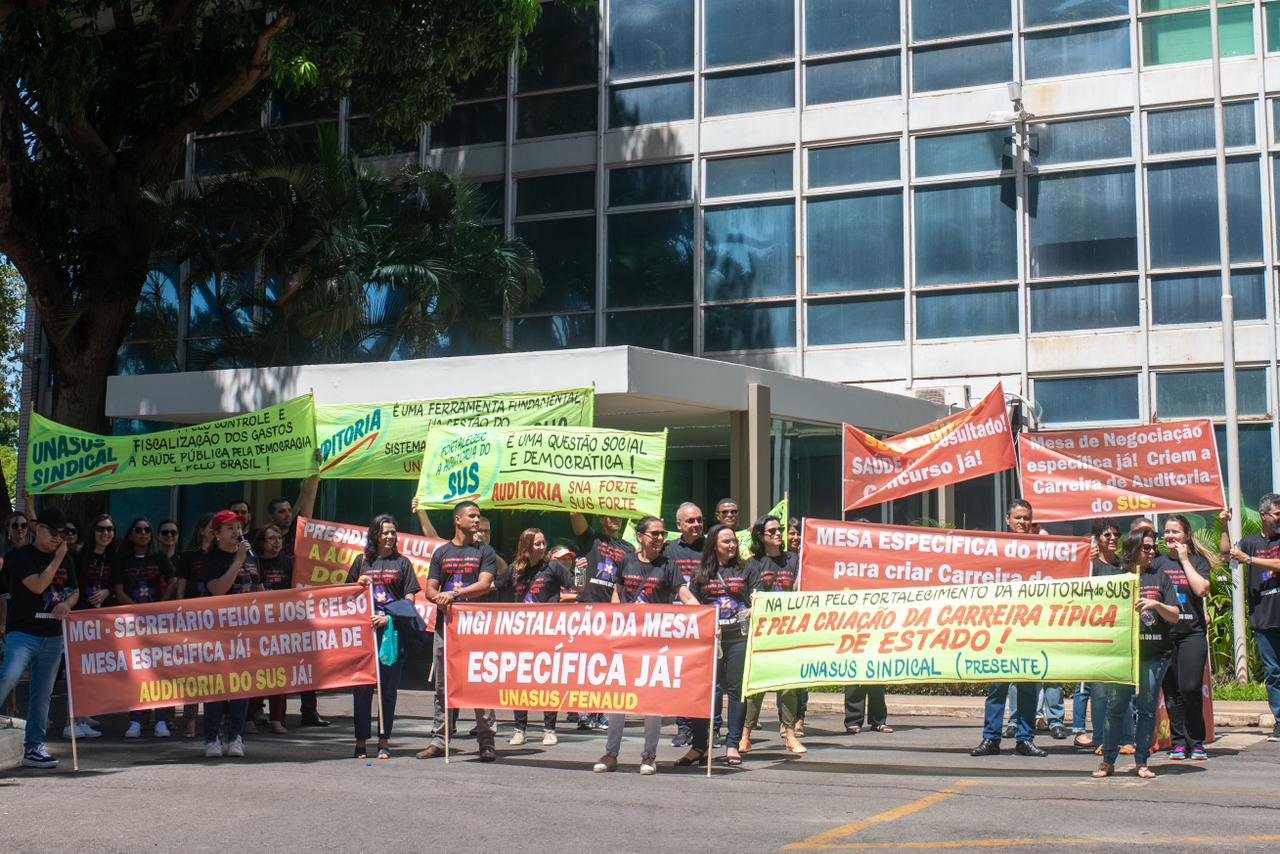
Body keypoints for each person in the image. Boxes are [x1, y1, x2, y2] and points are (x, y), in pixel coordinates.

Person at [593, 515, 697, 775]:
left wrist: (704, 615)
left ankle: (649, 755)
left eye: (662, 534)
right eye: (654, 534)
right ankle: (610, 754)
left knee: (652, 702)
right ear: (640, 536)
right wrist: (613, 618)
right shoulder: (626, 561)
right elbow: (618, 591)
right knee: (618, 699)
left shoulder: (668, 565)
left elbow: (683, 594)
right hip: (626, 641)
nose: (660, 538)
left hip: (655, 644)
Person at [1092, 529, 1180, 779]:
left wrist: (1156, 605)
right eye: (1147, 548)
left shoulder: (1161, 577)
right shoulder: (1118, 577)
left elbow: (1174, 614)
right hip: (1123, 654)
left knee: (1147, 709)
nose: (1153, 552)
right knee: (1116, 706)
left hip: (1155, 653)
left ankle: (1142, 760)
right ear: (1132, 549)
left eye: (1154, 548)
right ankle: (1108, 760)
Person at [418, 501, 498, 761]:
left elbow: (485, 584)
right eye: (472, 516)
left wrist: (453, 594)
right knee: (442, 686)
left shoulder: (485, 552)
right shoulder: (442, 553)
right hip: (447, 628)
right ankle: (440, 740)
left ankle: (486, 742)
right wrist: (438, 597)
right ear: (458, 520)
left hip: (477, 629)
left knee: (480, 683)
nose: (477, 521)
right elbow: (430, 590)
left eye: (478, 516)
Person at [0, 506, 78, 768]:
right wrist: (57, 559)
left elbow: (75, 591)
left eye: (63, 533)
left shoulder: (66, 559)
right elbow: (38, 585)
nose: (59, 538)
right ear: (39, 530)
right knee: (8, 677)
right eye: (54, 532)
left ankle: (34, 747)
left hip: (52, 636)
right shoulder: (21, 556)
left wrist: (67, 603)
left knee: (42, 693)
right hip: (23, 633)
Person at [679, 524, 759, 768]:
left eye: (734, 541)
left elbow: (758, 598)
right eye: (726, 542)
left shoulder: (748, 568)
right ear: (714, 544)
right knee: (707, 692)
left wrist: (750, 611)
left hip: (739, 638)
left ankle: (732, 744)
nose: (732, 545)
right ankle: (700, 746)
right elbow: (693, 605)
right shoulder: (701, 573)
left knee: (736, 691)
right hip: (710, 639)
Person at [973, 499, 1047, 758]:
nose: (1022, 522)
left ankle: (1025, 739)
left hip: (1030, 626)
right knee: (998, 686)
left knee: (1028, 685)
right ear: (1007, 520)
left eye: (1027, 518)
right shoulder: (995, 548)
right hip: (1001, 628)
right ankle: (990, 738)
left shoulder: (1041, 548)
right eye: (1018, 518)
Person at [348, 514, 420, 760]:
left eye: (393, 532)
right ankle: (360, 741)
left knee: (388, 690)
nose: (390, 537)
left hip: (392, 633)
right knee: (362, 689)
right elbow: (347, 597)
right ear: (375, 535)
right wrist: (357, 583)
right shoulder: (361, 562)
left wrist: (389, 618)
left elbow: (410, 599)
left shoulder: (403, 563)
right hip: (365, 636)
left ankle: (384, 740)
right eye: (385, 532)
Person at [199, 509, 263, 758]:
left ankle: (236, 736)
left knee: (240, 685)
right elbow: (216, 589)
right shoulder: (212, 559)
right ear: (216, 534)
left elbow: (259, 588)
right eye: (230, 528)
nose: (237, 532)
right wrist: (237, 561)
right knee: (216, 685)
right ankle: (212, 737)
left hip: (245, 631)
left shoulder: (251, 556)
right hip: (217, 633)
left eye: (238, 527)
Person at [741, 514, 805, 754]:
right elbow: (746, 595)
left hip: (788, 632)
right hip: (761, 633)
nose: (779, 534)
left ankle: (790, 735)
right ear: (761, 536)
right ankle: (745, 735)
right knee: (756, 687)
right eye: (773, 531)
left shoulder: (793, 559)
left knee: (788, 686)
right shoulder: (753, 563)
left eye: (780, 530)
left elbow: (800, 587)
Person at [112, 516, 177, 738]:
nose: (143, 533)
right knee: (136, 671)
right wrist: (138, 609)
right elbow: (119, 590)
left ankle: (161, 720)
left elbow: (174, 581)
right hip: (132, 621)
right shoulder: (123, 561)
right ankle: (136, 720)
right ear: (131, 534)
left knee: (160, 670)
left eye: (147, 530)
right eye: (138, 529)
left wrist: (160, 604)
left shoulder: (159, 557)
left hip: (158, 621)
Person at [570, 510, 634, 732]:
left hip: (613, 611)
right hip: (588, 606)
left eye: (619, 515)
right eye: (610, 515)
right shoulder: (592, 539)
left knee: (609, 665)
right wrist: (575, 505)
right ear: (600, 518)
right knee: (586, 663)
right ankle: (584, 713)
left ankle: (604, 713)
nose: (616, 518)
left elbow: (629, 581)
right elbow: (576, 518)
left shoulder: (628, 548)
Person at [1155, 513, 1212, 761]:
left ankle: (1196, 741)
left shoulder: (1198, 562)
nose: (1170, 536)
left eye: (1175, 532)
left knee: (1189, 688)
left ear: (1186, 535)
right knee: (1172, 692)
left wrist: (1185, 560)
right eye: (1166, 532)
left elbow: (1201, 589)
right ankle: (1179, 742)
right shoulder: (1157, 564)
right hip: (1166, 636)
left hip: (1192, 634)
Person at [1077, 519, 1135, 754]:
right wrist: (1085, 564)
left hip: (1121, 634)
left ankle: (1126, 738)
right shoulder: (1090, 568)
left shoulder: (1124, 566)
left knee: (1123, 690)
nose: (1112, 538)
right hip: (1097, 635)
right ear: (1096, 540)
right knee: (1099, 692)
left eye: (1116, 534)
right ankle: (1101, 738)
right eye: (1106, 535)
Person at [503, 528, 561, 747]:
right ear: (526, 546)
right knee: (520, 683)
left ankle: (549, 730)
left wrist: (582, 571)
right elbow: (495, 587)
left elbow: (577, 585)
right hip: (521, 637)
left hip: (548, 634)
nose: (541, 547)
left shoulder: (553, 567)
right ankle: (520, 729)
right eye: (536, 544)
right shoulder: (514, 570)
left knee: (549, 682)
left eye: (543, 543)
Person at [1230, 494, 1280, 742]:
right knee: (1273, 672)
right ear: (1264, 515)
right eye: (1277, 514)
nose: (1279, 518)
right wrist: (1226, 525)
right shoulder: (1250, 542)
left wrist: (1249, 560)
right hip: (1263, 618)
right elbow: (1226, 553)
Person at [665, 502, 705, 748]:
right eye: (690, 521)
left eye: (699, 520)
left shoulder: (711, 548)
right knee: (679, 677)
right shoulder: (669, 551)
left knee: (704, 678)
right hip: (677, 623)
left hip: (704, 619)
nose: (696, 524)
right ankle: (683, 727)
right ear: (679, 524)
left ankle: (710, 728)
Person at [175, 513, 214, 737]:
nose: (213, 531)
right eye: (210, 527)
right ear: (201, 530)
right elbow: (181, 588)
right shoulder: (189, 557)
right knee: (193, 671)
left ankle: (215, 720)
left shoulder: (223, 555)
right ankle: (190, 720)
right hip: (193, 619)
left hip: (218, 620)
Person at [253, 524, 294, 734]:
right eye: (271, 538)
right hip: (257, 626)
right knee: (254, 672)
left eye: (279, 537)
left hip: (282, 625)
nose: (277, 541)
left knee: (280, 673)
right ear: (262, 542)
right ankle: (251, 716)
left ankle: (277, 719)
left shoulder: (289, 563)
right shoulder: (254, 562)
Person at [786, 517, 808, 736]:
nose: (795, 537)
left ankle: (800, 718)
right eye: (791, 533)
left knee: (801, 676)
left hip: (804, 621)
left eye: (798, 533)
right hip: (782, 622)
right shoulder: (781, 560)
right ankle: (786, 721)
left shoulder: (809, 558)